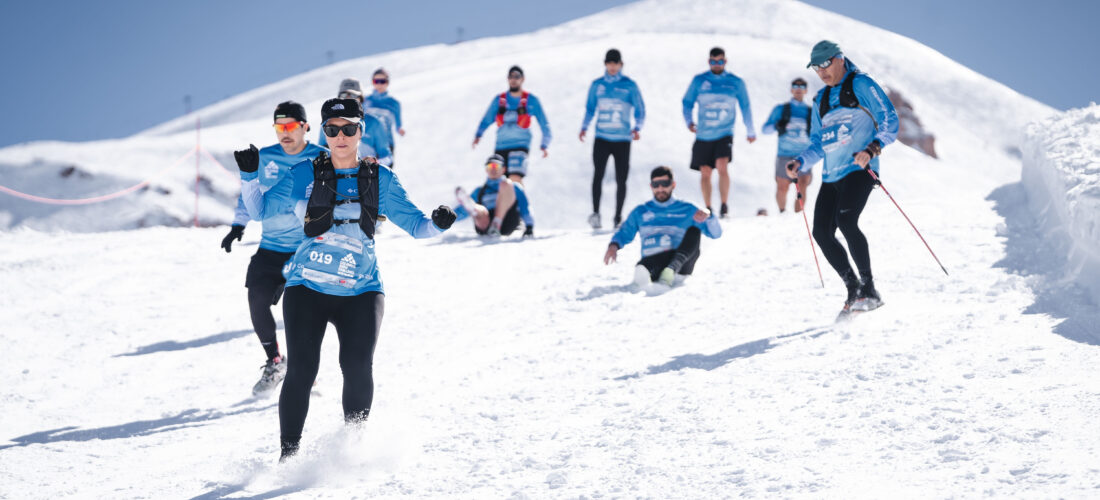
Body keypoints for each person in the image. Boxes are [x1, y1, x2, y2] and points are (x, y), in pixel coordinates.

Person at [236, 98, 456, 461]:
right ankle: (288, 458)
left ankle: (351, 450)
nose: (340, 136)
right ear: (323, 132)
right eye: (333, 129)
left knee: (356, 367)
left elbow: (418, 227)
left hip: (361, 290)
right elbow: (259, 211)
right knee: (303, 371)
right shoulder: (304, 173)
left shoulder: (379, 178)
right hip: (307, 287)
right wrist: (249, 176)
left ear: (361, 131)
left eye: (348, 129)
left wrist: (439, 223)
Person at [785, 40, 898, 313]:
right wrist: (800, 162)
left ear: (839, 59)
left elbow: (890, 120)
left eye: (825, 64)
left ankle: (870, 288)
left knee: (846, 220)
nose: (821, 72)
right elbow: (817, 144)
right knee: (821, 233)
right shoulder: (819, 100)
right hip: (831, 176)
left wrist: (872, 148)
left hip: (859, 169)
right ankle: (853, 288)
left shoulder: (861, 84)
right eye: (815, 67)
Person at [223, 101, 327, 395]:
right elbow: (249, 194)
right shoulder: (264, 157)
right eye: (279, 127)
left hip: (306, 248)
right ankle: (275, 361)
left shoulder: (321, 158)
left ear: (305, 127)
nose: (285, 132)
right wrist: (238, 225)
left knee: (303, 311)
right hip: (271, 246)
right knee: (256, 300)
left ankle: (304, 369)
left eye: (291, 126)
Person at [603, 166, 722, 286]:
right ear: (651, 186)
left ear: (673, 185)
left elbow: (716, 234)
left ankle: (671, 269)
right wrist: (614, 246)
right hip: (655, 259)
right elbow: (625, 232)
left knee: (694, 231)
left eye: (665, 183)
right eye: (656, 184)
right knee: (644, 267)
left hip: (681, 264)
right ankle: (647, 274)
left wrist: (709, 216)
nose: (660, 188)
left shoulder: (688, 209)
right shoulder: (641, 211)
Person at [682, 47, 756, 218]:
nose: (717, 65)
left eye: (720, 61)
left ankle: (724, 204)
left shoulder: (735, 82)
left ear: (725, 61)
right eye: (713, 61)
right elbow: (687, 102)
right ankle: (709, 207)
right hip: (703, 134)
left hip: (725, 132)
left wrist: (750, 130)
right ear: (709, 62)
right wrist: (689, 121)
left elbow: (745, 106)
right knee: (705, 171)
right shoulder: (699, 80)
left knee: (722, 165)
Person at [580, 48, 646, 230]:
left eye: (615, 63)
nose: (612, 67)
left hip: (622, 139)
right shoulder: (597, 85)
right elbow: (590, 108)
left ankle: (617, 216)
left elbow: (640, 109)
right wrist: (584, 126)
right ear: (605, 64)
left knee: (621, 178)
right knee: (598, 175)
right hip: (602, 137)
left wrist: (637, 127)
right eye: (609, 63)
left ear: (621, 64)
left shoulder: (629, 85)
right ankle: (595, 213)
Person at [473, 65, 551, 184]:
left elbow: (544, 123)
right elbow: (486, 119)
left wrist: (544, 144)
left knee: (515, 179)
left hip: (520, 145)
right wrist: (478, 135)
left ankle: (520, 202)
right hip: (501, 145)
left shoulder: (531, 100)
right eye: (510, 77)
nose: (513, 80)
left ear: (522, 79)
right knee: (499, 181)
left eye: (516, 77)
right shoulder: (499, 100)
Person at [762, 78, 813, 213]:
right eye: (795, 86)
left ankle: (798, 216)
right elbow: (765, 130)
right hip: (784, 154)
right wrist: (777, 125)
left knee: (802, 185)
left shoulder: (811, 112)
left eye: (802, 86)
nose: (798, 89)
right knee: (782, 187)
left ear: (806, 91)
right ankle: (782, 212)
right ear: (791, 89)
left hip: (804, 154)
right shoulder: (781, 109)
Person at [453, 154, 535, 237]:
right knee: (479, 210)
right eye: (490, 166)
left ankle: (496, 223)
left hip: (507, 221)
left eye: (496, 166)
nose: (493, 169)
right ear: (486, 170)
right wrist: (448, 219)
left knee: (506, 184)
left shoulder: (514, 187)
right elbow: (462, 209)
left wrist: (529, 226)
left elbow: (525, 206)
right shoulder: (480, 191)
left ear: (503, 169)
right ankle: (475, 211)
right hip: (486, 223)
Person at [319, 78, 393, 167]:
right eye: (344, 95)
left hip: (368, 177)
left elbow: (387, 157)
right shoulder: (329, 123)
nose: (348, 98)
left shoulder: (374, 123)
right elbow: (321, 151)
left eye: (353, 95)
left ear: (361, 98)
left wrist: (373, 163)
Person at [363, 68, 404, 166]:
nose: (379, 84)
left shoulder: (394, 103)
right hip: (369, 144)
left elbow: (398, 124)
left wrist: (400, 130)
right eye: (376, 81)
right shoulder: (366, 101)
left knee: (383, 177)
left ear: (387, 82)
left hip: (386, 145)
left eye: (383, 81)